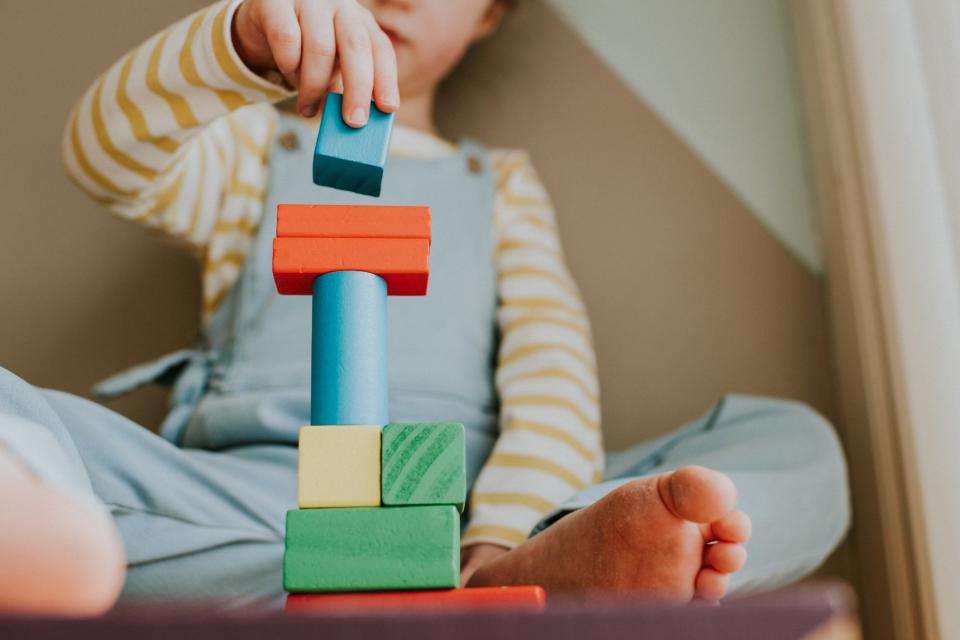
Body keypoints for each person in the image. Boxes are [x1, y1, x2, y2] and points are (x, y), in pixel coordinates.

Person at [0, 0, 849, 615]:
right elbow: (104, 154)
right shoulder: (248, 150)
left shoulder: (500, 187)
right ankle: (44, 508)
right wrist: (240, 38)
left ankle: (543, 575)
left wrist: (505, 538)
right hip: (261, 502)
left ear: (488, 15)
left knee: (796, 441)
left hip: (469, 512)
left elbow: (552, 377)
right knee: (28, 417)